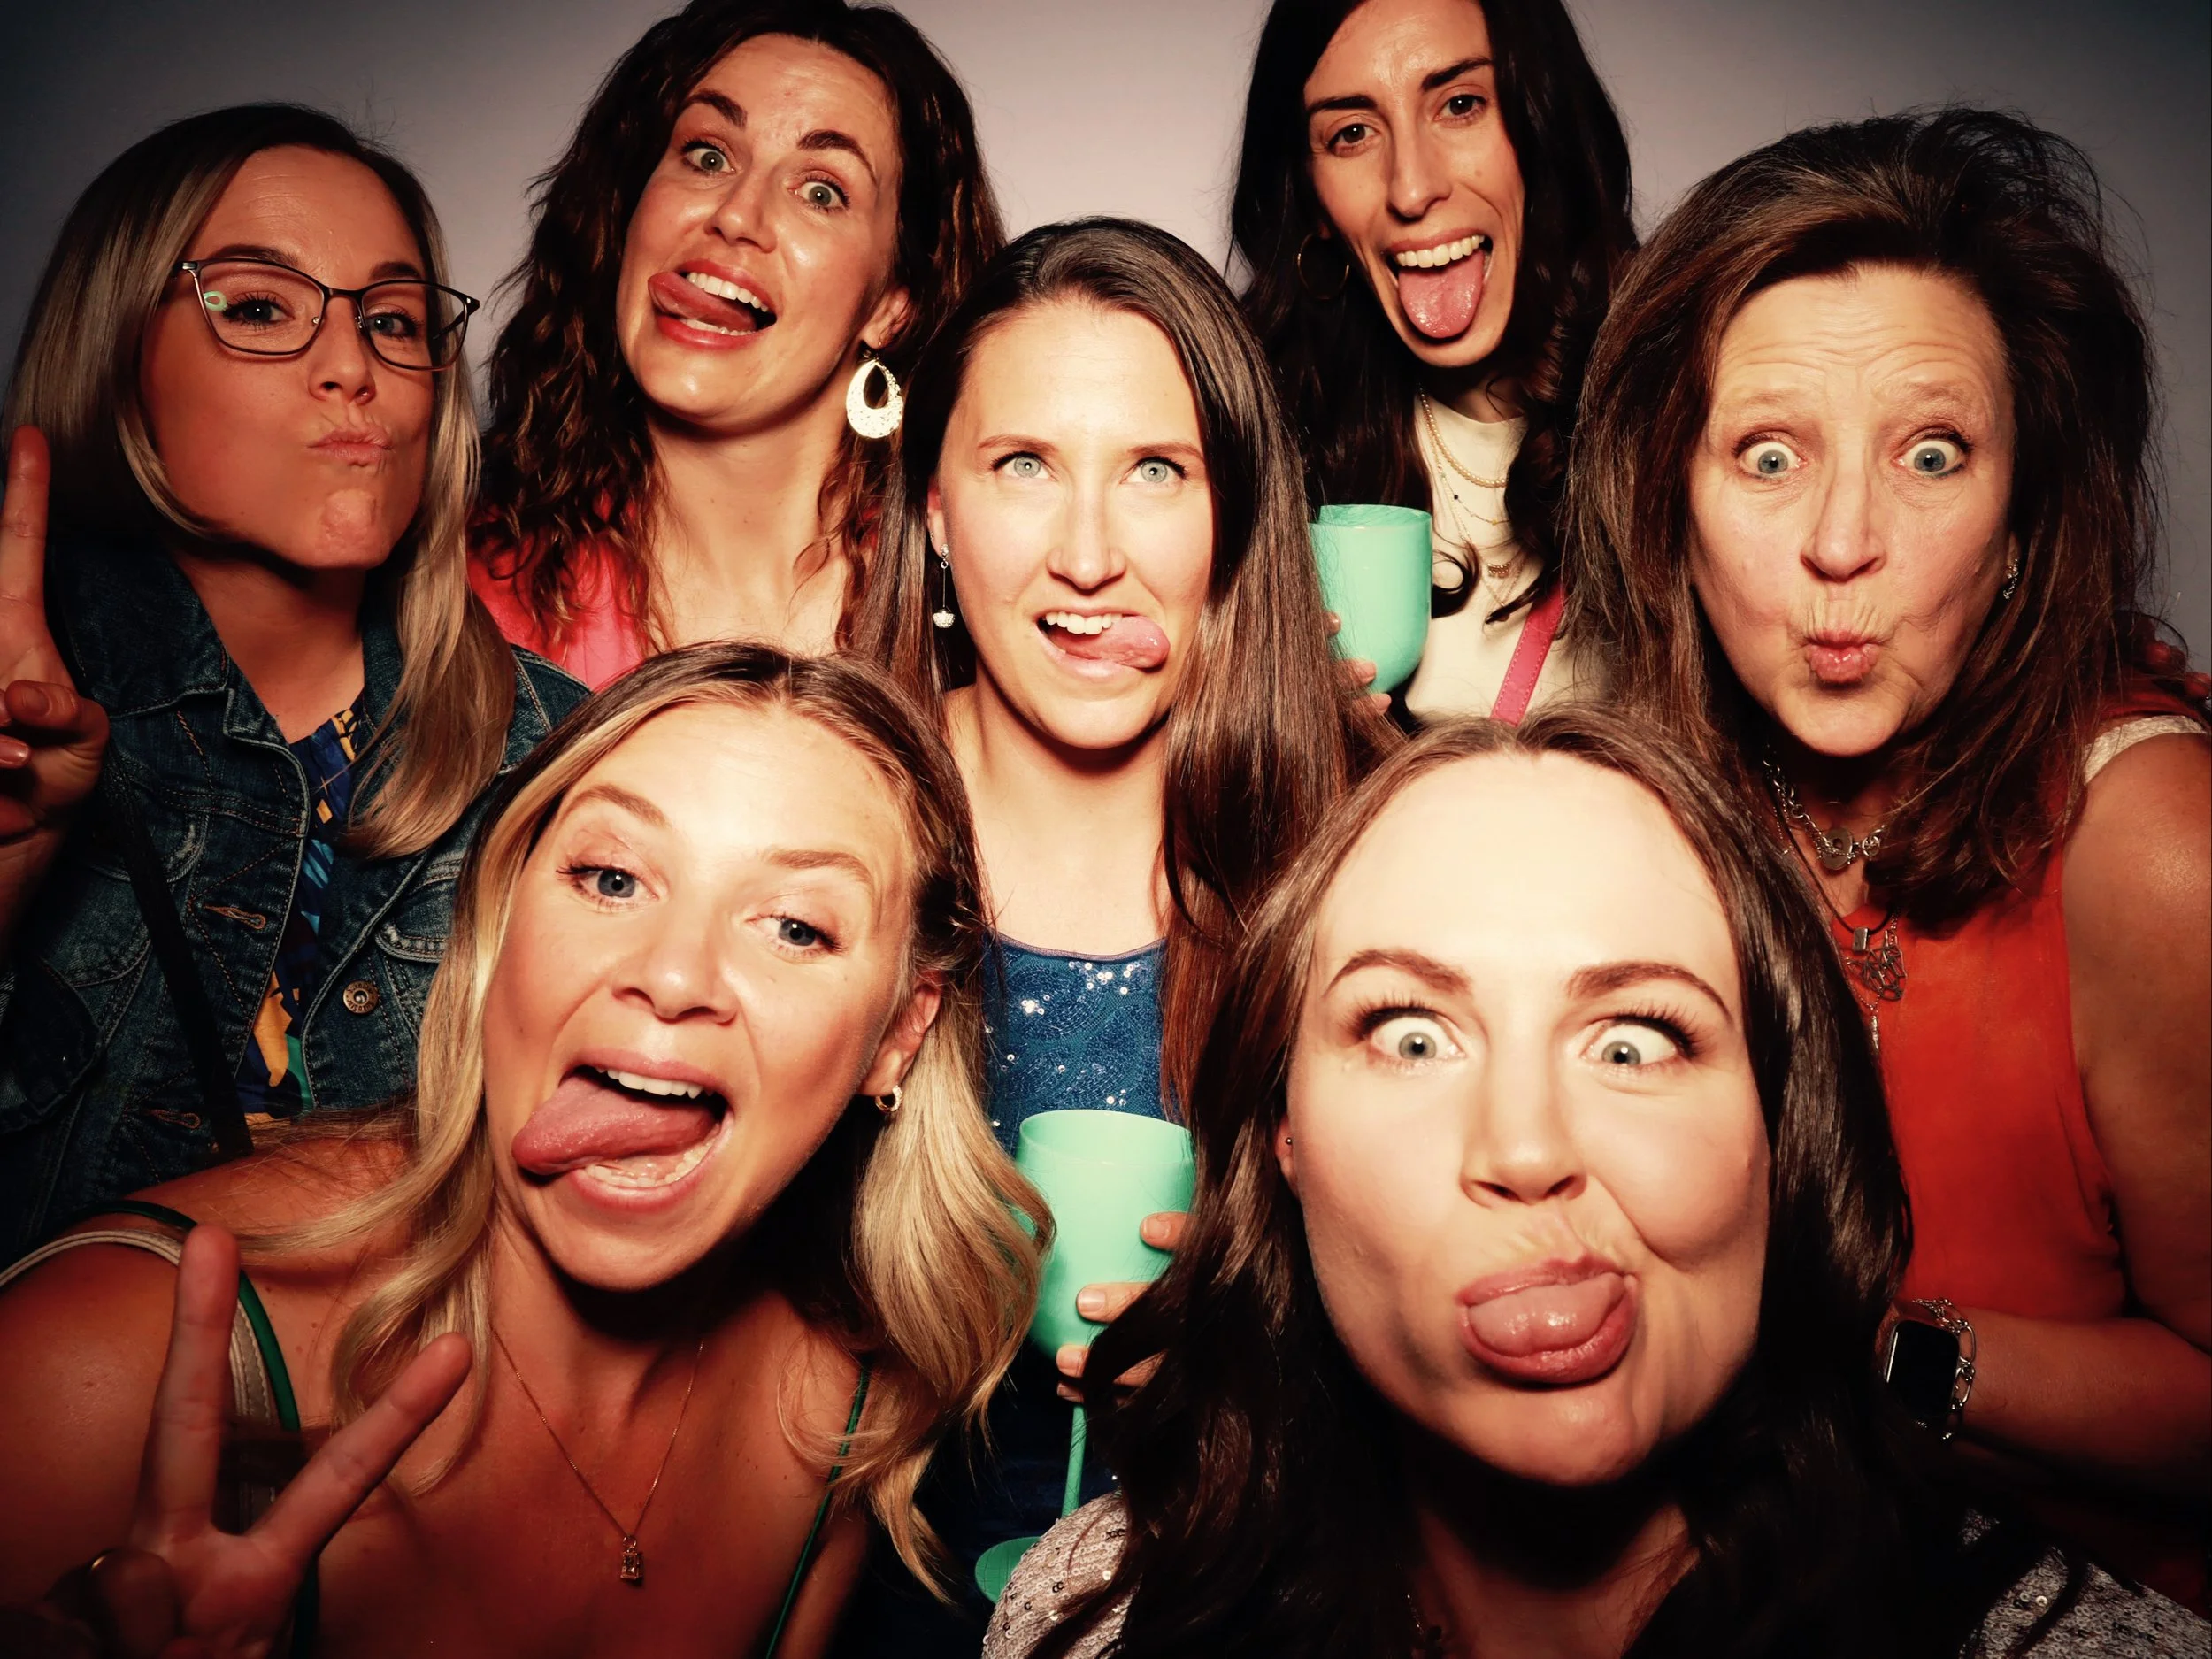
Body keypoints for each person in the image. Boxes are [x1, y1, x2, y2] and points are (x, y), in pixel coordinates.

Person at [984, 710, 2207, 1658]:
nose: (1525, 1147)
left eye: (1635, 1040)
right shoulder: (1085, 1619)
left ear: (1783, 1126)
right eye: (1412, 1034)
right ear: (1283, 1135)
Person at [0, 643, 1047, 1658]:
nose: (675, 975)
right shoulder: (105, 1364)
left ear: (899, 1034)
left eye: (795, 928)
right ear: (499, 921)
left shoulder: (840, 1414)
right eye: (610, 878)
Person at [1567, 110, 2211, 1606]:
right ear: (1669, 493)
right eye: (1770, 454)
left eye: (1932, 453)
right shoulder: (1658, 813)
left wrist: (1872, 1360)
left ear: (2024, 512)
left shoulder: (2155, 848)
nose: (1845, 541)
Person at [841, 218, 1391, 1652]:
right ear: (939, 511)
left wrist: (1288, 1317)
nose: (1089, 556)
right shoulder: (818, 826)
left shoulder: (1371, 853)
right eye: (1025, 465)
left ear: (1231, 521)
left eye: (1156, 472)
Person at [0, 105, 585, 1260]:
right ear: (117, 354)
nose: (353, 369)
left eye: (394, 320)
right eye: (261, 306)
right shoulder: (29, 701)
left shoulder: (566, 753)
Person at [470, 0, 1000, 686]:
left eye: (821, 192)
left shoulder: (977, 599)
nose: (736, 215)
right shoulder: (465, 602)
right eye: (708, 154)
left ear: (893, 306)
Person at [1231, 0, 1635, 721]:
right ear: (1312, 195)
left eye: (1460, 104)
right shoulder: (1263, 455)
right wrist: (1275, 727)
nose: (1412, 188)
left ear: (1539, 127)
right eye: (1351, 133)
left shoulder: (1677, 410)